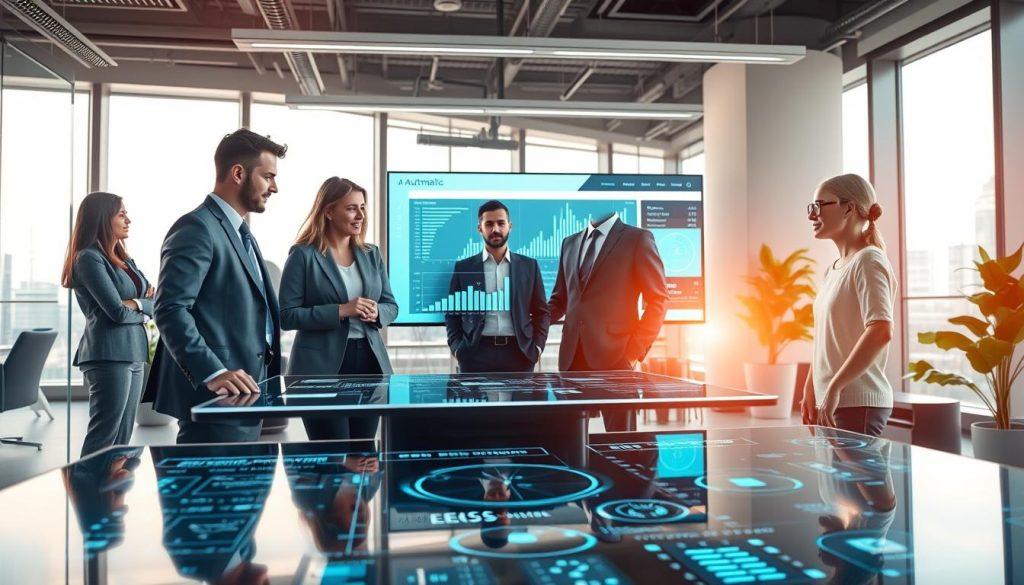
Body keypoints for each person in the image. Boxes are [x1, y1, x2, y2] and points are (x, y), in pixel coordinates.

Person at [144, 129, 286, 444]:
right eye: (268, 177)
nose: (274, 187)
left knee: (241, 490)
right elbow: (170, 309)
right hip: (216, 396)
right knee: (212, 489)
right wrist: (214, 372)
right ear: (238, 173)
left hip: (246, 393)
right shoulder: (197, 228)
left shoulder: (240, 233)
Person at [280, 177, 398, 441]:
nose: (360, 215)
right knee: (334, 454)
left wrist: (378, 312)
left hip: (369, 362)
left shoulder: (371, 254)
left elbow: (391, 305)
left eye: (363, 207)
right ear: (329, 211)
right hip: (321, 367)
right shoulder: (303, 256)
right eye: (351, 208)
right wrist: (342, 310)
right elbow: (286, 316)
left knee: (364, 451)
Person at [548, 211, 668, 431]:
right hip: (571, 357)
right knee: (569, 438)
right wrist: (525, 323)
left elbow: (658, 300)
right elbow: (559, 301)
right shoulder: (569, 242)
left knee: (620, 441)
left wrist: (633, 352)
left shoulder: (637, 239)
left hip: (617, 356)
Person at [802, 173, 897, 437]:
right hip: (833, 401)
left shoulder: (869, 260)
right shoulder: (832, 271)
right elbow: (825, 339)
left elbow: (880, 330)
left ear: (849, 208)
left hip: (856, 403)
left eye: (820, 205)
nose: (812, 214)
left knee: (862, 479)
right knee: (836, 480)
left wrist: (834, 389)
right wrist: (811, 387)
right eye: (811, 207)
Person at [62, 192, 154, 457]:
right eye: (121, 214)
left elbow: (153, 299)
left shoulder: (125, 260)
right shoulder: (89, 258)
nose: (129, 220)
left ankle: (112, 496)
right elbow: (115, 312)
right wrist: (140, 306)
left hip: (134, 352)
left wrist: (136, 304)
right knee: (104, 435)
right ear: (103, 218)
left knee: (123, 440)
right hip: (108, 354)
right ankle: (86, 493)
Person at [446, 200, 550, 373]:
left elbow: (542, 312)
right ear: (480, 228)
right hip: (475, 353)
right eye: (489, 224)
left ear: (510, 226)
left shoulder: (529, 266)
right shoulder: (463, 268)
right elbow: (452, 313)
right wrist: (457, 348)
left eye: (501, 223)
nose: (495, 229)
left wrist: (537, 348)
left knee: (523, 401)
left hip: (520, 353)